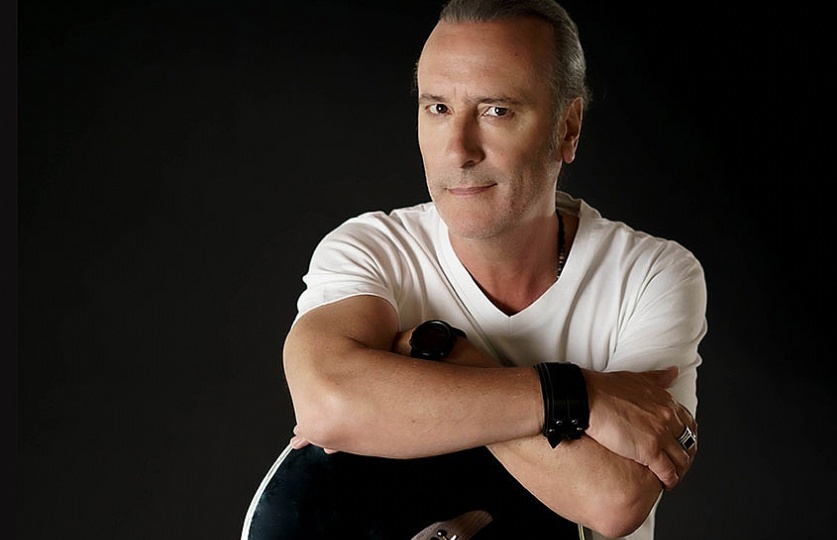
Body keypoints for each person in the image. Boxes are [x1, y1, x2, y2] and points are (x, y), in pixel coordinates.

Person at [281, 1, 707, 538]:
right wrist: (583, 395)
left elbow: (614, 499)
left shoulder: (650, 275)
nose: (458, 150)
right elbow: (326, 405)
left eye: (496, 111)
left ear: (567, 128)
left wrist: (441, 354)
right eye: (438, 108)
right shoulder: (373, 249)